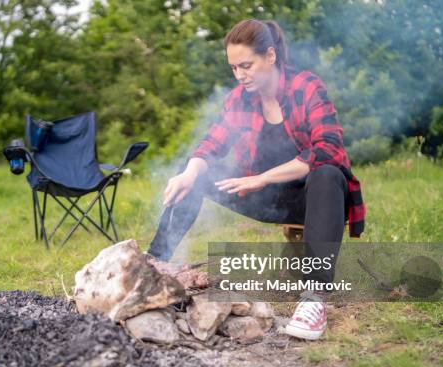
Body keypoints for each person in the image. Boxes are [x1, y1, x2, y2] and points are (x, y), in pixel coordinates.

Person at [147, 19, 366, 340]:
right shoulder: (240, 98)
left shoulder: (306, 87)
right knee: (194, 169)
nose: (240, 75)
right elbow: (212, 144)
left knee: (327, 173)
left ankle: (314, 299)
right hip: (266, 197)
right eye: (234, 68)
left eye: (246, 65)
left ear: (271, 56)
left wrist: (262, 178)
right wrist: (189, 172)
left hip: (313, 200)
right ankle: (155, 263)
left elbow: (328, 148)